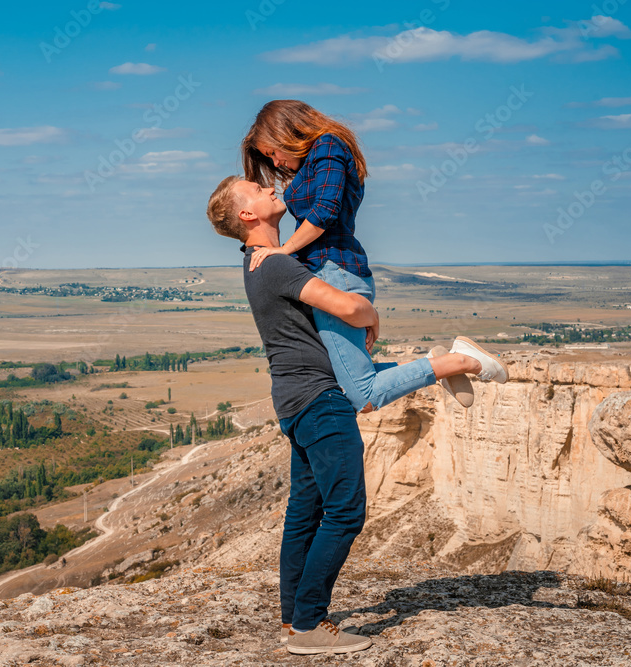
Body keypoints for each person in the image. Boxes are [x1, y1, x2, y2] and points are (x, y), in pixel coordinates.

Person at [206, 175, 509, 655]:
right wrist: (371, 316)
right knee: (345, 511)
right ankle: (308, 625)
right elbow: (348, 306)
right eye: (257, 189)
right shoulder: (277, 265)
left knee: (304, 513)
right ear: (247, 215)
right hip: (320, 401)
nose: (269, 189)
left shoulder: (259, 263)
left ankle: (293, 620)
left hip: (294, 399)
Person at [240, 100, 476, 410]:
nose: (276, 161)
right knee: (348, 379)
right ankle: (438, 363)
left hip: (335, 271)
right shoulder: (316, 157)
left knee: (363, 394)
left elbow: (325, 212)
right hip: (331, 270)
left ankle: (460, 361)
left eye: (273, 151)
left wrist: (283, 251)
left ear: (287, 132)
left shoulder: (328, 145)